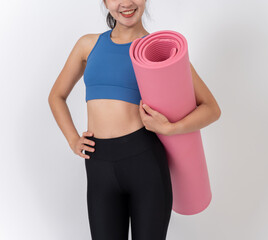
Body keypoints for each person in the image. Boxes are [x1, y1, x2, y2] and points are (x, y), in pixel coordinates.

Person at [48, 0, 221, 239]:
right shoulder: (87, 45)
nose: (126, 3)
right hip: (98, 165)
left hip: (144, 161)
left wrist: (171, 128)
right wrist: (72, 139)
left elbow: (211, 108)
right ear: (106, 2)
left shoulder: (156, 51)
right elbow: (56, 96)